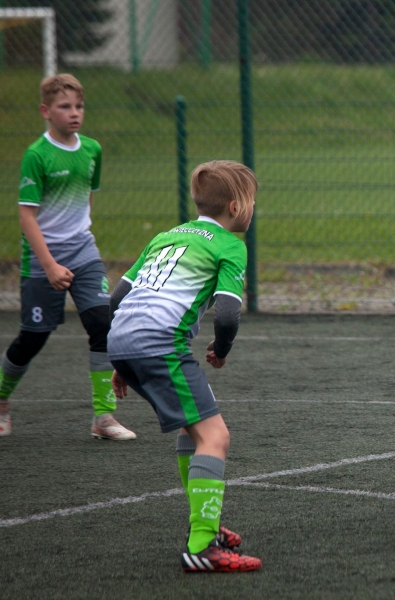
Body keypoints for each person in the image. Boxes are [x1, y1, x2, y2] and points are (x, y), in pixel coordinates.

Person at [107, 160, 261, 572]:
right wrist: (222, 349)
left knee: (192, 430)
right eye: (251, 203)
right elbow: (227, 315)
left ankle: (204, 526)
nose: (253, 211)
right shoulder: (229, 246)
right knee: (216, 437)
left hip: (123, 338)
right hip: (159, 343)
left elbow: (117, 299)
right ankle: (202, 547)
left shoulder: (167, 236)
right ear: (234, 206)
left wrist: (123, 361)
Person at [0, 74, 134, 440]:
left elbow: (88, 196)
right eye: (65, 107)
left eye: (79, 106)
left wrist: (80, 238)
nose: (74, 113)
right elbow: (27, 215)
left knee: (102, 325)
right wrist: (49, 265)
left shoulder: (92, 149)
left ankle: (104, 418)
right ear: (46, 111)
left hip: (83, 251)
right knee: (33, 337)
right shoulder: (36, 155)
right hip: (44, 257)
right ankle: (0, 399)